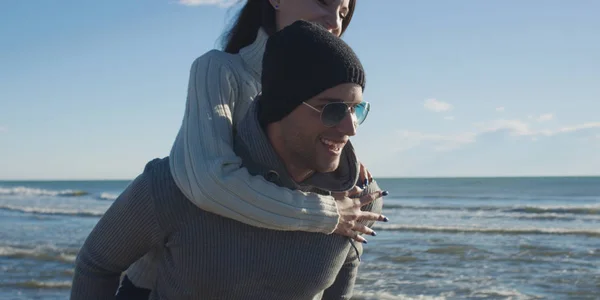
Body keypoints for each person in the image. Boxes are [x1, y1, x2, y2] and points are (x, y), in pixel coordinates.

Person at [71, 20, 385, 300]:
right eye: (332, 110)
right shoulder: (173, 185)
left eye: (356, 109)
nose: (350, 128)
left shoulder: (360, 203)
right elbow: (97, 264)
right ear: (281, 108)